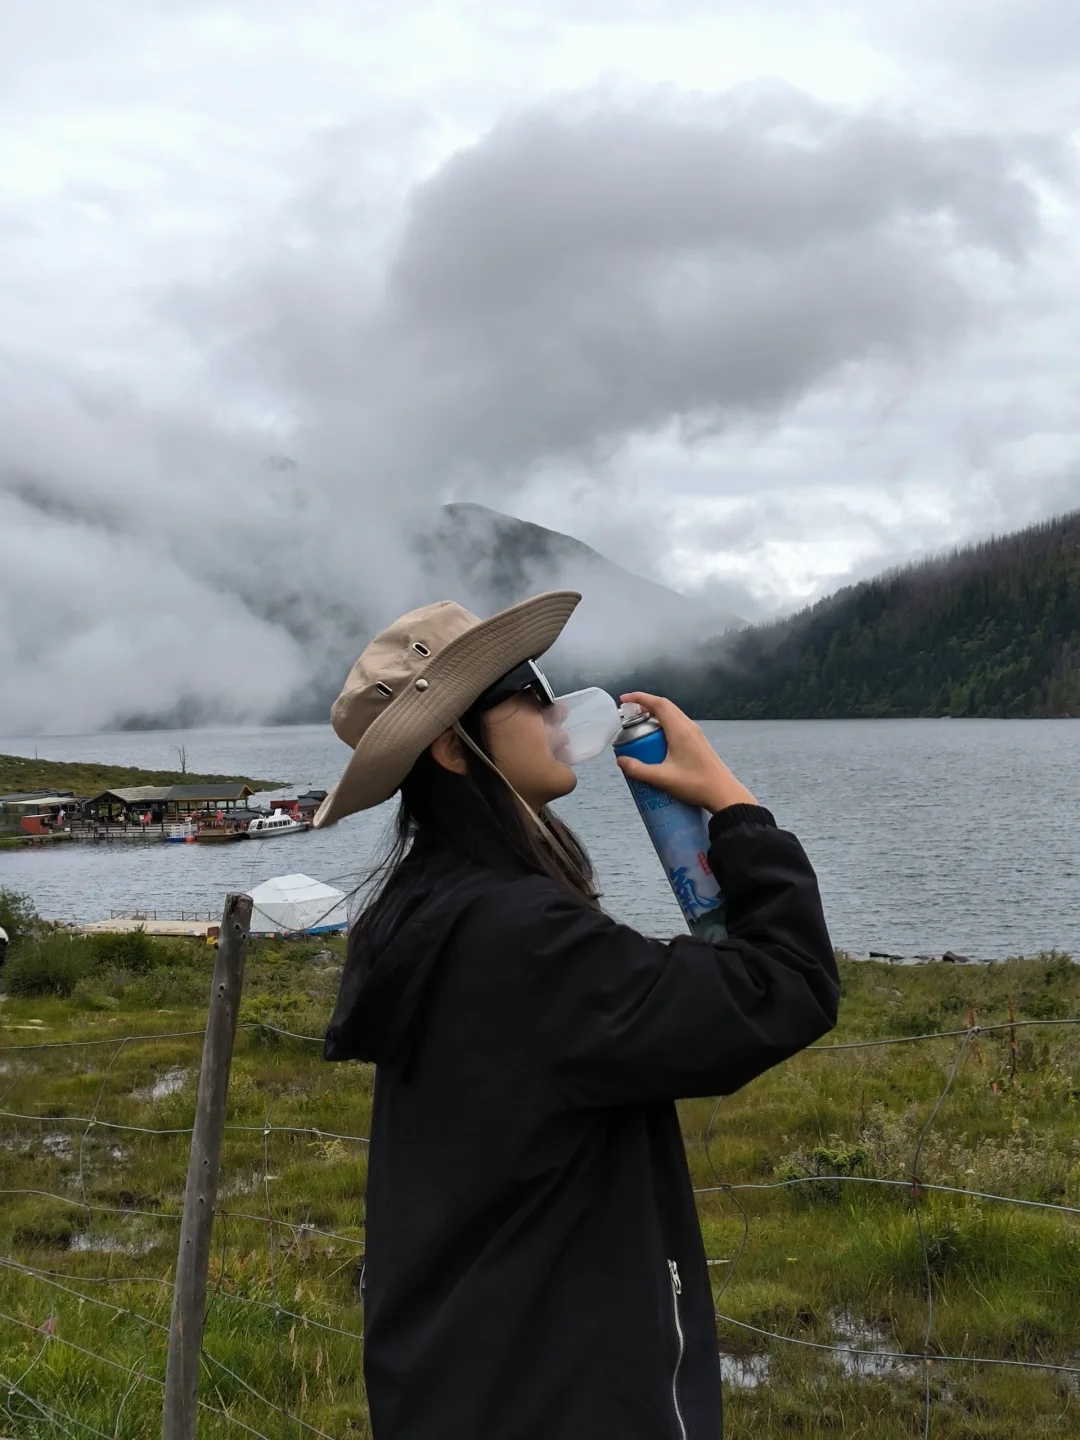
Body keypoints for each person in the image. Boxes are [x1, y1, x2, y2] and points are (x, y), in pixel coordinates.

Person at [314, 591, 838, 1440]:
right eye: (525, 690)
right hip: (563, 1394)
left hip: (462, 1379)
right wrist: (733, 807)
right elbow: (784, 989)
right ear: (454, 749)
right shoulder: (521, 939)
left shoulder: (423, 911)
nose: (556, 711)